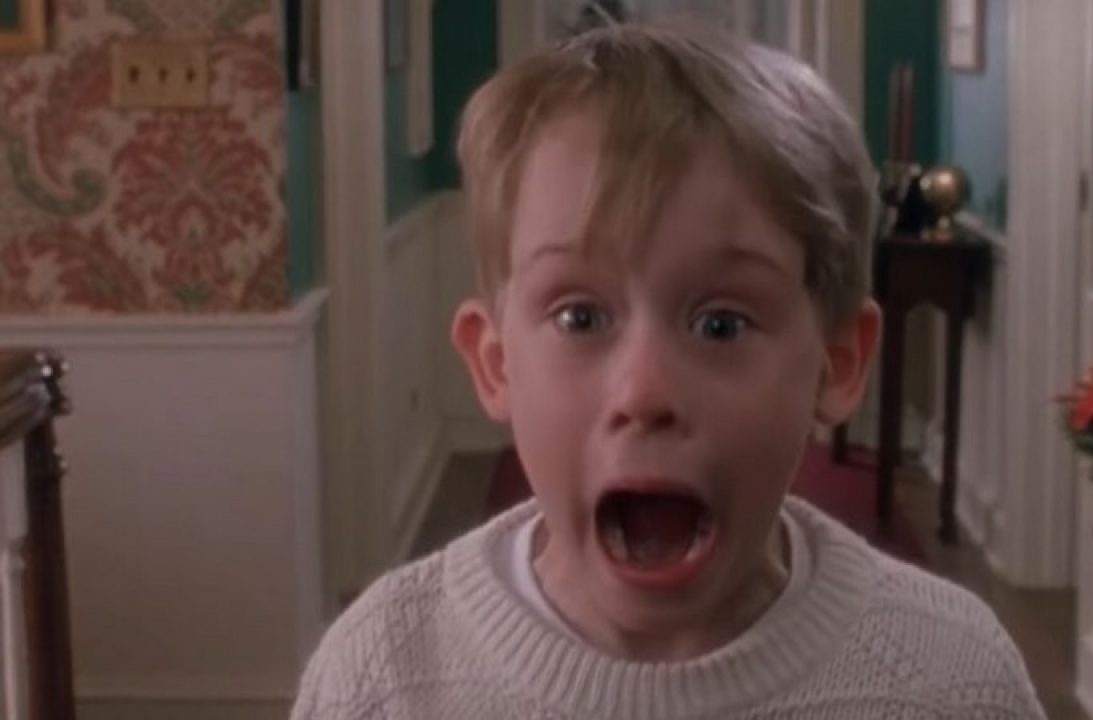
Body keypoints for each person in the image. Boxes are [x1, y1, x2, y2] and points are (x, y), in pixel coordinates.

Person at [291, 22, 1047, 719]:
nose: (645, 391)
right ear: (495, 365)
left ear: (837, 363)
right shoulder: (380, 678)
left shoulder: (951, 682)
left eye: (722, 324)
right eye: (580, 318)